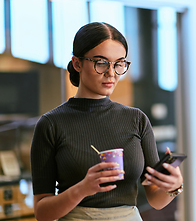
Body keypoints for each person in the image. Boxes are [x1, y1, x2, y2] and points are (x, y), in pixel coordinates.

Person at [30, 22, 184, 221]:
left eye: (119, 63)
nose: (111, 73)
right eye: (101, 62)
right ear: (77, 63)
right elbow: (42, 213)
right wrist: (82, 189)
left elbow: (155, 200)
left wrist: (173, 186)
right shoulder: (51, 124)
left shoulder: (136, 120)